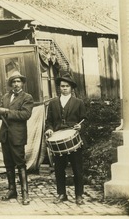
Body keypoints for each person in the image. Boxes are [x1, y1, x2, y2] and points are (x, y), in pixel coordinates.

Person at [44, 73, 87, 205]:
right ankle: (62, 194)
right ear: (59, 88)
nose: (64, 88)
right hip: (58, 139)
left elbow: (85, 119)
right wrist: (49, 129)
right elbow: (48, 121)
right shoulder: (52, 103)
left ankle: (79, 195)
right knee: (59, 169)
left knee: (77, 169)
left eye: (67, 86)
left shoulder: (78, 103)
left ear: (71, 88)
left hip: (73, 138)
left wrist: (80, 127)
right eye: (62, 86)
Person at [0, 71, 34, 205]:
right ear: (11, 84)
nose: (16, 84)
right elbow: (0, 115)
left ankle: (25, 193)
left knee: (20, 163)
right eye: (13, 82)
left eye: (18, 81)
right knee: (8, 164)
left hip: (17, 136)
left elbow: (25, 115)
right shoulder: (5, 97)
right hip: (5, 135)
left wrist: (6, 111)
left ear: (22, 83)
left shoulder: (27, 97)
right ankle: (12, 190)